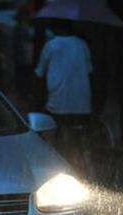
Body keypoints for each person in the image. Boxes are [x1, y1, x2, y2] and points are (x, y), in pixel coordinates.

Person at [34, 21, 94, 175]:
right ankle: (85, 168)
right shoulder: (82, 45)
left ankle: (61, 167)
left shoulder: (51, 45)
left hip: (58, 102)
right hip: (82, 103)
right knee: (81, 139)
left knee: (57, 137)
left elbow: (39, 72)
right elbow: (89, 70)